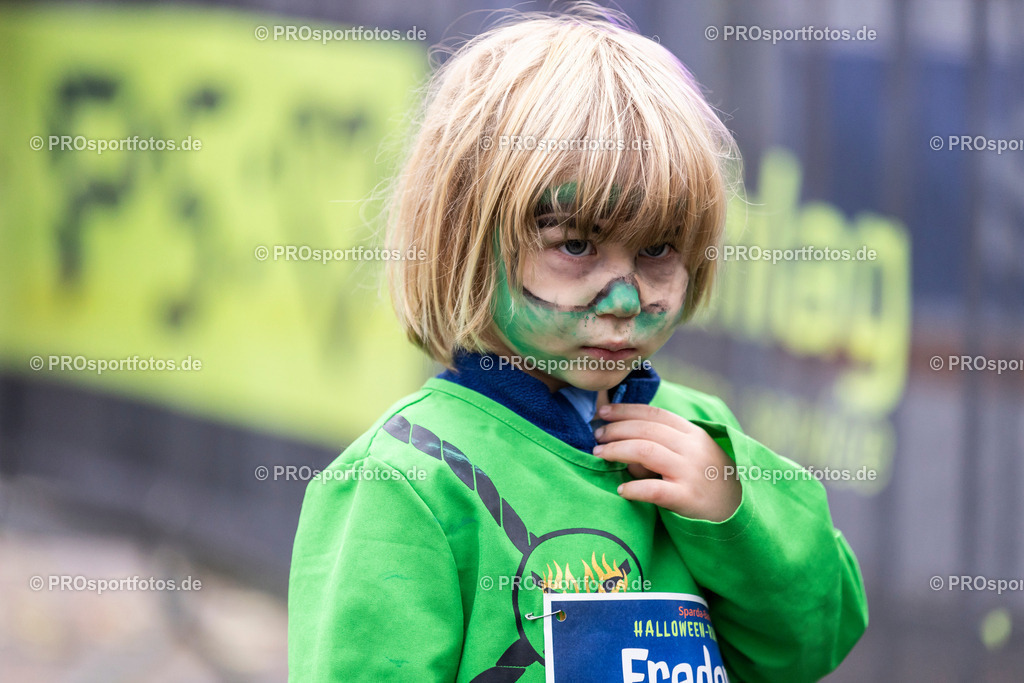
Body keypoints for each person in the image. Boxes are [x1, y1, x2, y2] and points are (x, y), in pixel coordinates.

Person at [288, 4, 868, 681]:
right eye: (575, 244)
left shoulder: (701, 438)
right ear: (464, 241)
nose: (624, 300)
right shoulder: (405, 479)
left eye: (657, 248)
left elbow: (812, 642)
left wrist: (733, 515)